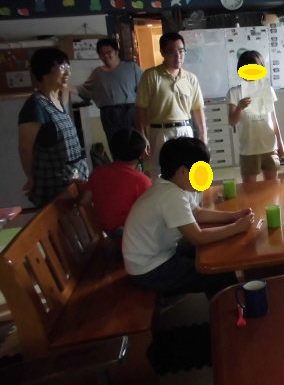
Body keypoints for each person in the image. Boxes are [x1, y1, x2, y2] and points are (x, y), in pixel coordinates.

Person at [122, 136, 254, 298]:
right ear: (183, 171)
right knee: (218, 272)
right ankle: (227, 311)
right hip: (149, 270)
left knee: (213, 251)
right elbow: (197, 237)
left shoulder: (170, 185)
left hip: (155, 255)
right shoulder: (171, 195)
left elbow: (197, 212)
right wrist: (236, 227)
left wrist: (233, 216)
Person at [18, 47, 89, 207]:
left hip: (73, 176)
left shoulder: (58, 99)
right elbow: (25, 149)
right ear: (44, 71)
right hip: (54, 182)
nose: (68, 72)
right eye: (62, 67)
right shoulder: (35, 106)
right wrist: (31, 178)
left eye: (68, 67)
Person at [135, 31, 207, 179]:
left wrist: (203, 134)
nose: (177, 56)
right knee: (158, 173)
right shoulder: (151, 76)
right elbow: (140, 109)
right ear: (162, 52)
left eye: (181, 51)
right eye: (171, 52)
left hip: (185, 130)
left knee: (188, 172)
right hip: (159, 132)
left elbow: (197, 108)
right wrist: (142, 136)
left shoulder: (191, 78)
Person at [79, 127, 151, 245]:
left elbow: (84, 201)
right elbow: (151, 215)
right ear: (142, 154)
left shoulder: (97, 173)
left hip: (109, 237)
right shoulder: (142, 181)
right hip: (133, 242)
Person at [226, 50, 284, 182]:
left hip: (270, 147)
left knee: (272, 187)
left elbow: (273, 119)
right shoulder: (234, 92)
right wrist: (239, 108)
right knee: (250, 189)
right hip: (248, 150)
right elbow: (232, 122)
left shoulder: (267, 89)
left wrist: (280, 143)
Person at [74, 38, 142, 142]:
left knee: (135, 142)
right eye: (102, 54)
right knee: (115, 143)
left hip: (130, 112)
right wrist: (68, 89)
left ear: (116, 52)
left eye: (109, 52)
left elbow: (144, 90)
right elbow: (84, 89)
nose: (105, 56)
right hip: (108, 114)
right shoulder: (97, 73)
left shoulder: (132, 67)